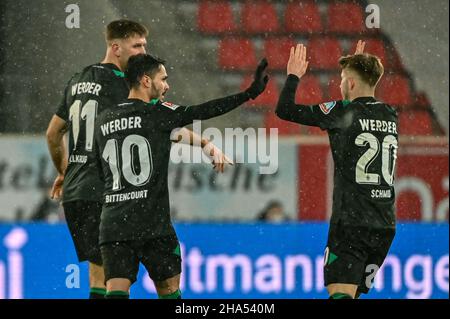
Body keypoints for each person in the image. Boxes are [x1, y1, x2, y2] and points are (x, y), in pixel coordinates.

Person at [46, 19, 228, 299]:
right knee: (119, 277)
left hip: (75, 195)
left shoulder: (77, 80)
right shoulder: (122, 86)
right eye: (137, 45)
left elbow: (53, 133)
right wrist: (203, 142)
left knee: (100, 276)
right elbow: (158, 125)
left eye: (145, 44)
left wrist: (64, 172)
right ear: (115, 47)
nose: (143, 51)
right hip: (104, 192)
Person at [94, 53, 269, 299]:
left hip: (114, 224)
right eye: (163, 79)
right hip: (152, 223)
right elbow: (204, 110)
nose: (167, 85)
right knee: (168, 289)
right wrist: (249, 94)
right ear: (146, 81)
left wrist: (206, 145)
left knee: (115, 290)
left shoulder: (104, 119)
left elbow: (101, 170)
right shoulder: (158, 113)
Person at [276, 41, 398, 299]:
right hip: (384, 224)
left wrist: (293, 77)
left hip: (351, 222)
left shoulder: (342, 111)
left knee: (340, 294)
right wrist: (359, 65)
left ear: (351, 84)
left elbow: (284, 110)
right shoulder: (390, 114)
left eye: (343, 79)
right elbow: (366, 102)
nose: (340, 84)